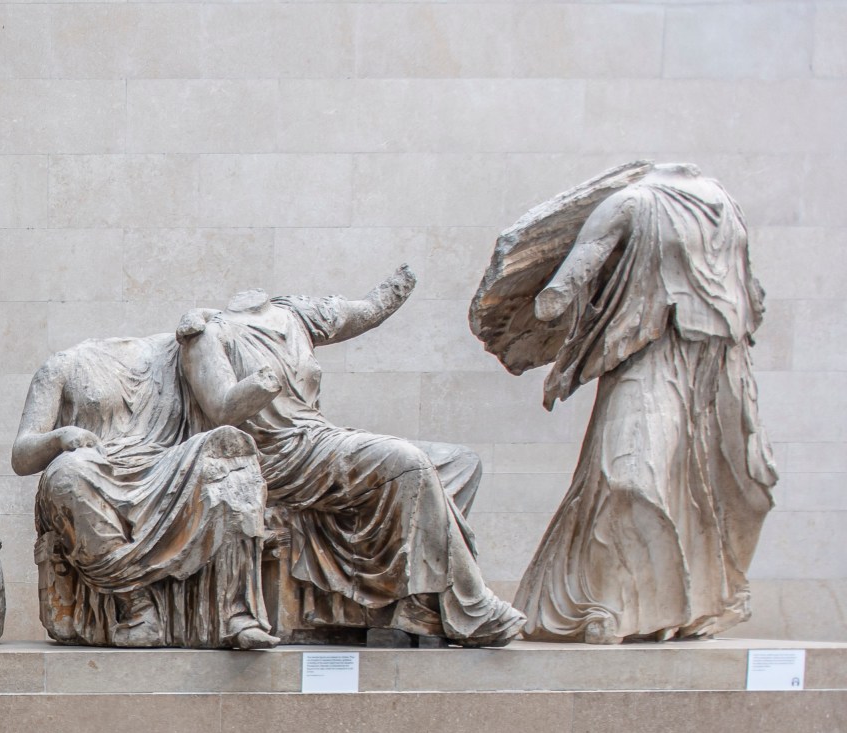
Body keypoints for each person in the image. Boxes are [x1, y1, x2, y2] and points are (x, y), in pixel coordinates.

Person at [177, 267, 525, 646]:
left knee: (459, 462)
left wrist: (399, 285)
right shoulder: (207, 333)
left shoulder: (294, 315)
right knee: (405, 461)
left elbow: (366, 311)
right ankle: (472, 606)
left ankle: (414, 604)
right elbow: (221, 409)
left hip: (319, 439)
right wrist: (259, 386)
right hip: (276, 455)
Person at [514, 165, 772, 643]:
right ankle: (602, 602)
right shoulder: (630, 204)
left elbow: (750, 292)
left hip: (718, 363)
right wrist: (547, 306)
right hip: (648, 354)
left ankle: (690, 606)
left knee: (741, 490)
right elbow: (566, 283)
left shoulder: (725, 207)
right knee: (630, 477)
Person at [11, 332, 278, 648]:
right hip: (98, 468)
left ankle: (237, 613)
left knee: (231, 451)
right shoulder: (63, 365)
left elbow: (225, 403)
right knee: (67, 473)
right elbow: (22, 455)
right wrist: (59, 437)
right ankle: (136, 606)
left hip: (168, 464)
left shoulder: (185, 351)